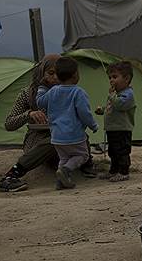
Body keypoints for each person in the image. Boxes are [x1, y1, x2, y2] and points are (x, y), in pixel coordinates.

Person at [0, 55, 95, 192]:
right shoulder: (28, 94)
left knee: (73, 134)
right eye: (50, 73)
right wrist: (29, 114)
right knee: (54, 140)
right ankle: (11, 175)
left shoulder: (70, 92)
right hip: (38, 139)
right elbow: (9, 124)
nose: (55, 77)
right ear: (41, 73)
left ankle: (86, 163)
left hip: (66, 138)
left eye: (58, 73)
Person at [37, 56, 99, 189]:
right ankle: (66, 171)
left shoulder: (52, 91)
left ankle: (60, 182)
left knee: (63, 159)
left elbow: (40, 102)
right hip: (74, 135)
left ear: (58, 76)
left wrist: (42, 86)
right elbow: (84, 113)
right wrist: (93, 125)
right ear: (75, 75)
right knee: (82, 155)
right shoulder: (78, 93)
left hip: (56, 136)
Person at [95, 61, 135, 182]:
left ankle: (123, 172)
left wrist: (111, 96)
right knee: (113, 151)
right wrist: (102, 110)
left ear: (127, 78)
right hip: (112, 128)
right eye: (110, 77)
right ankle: (114, 170)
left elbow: (120, 105)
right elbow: (111, 107)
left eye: (115, 77)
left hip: (122, 129)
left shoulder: (128, 94)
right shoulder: (116, 94)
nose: (111, 80)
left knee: (122, 151)